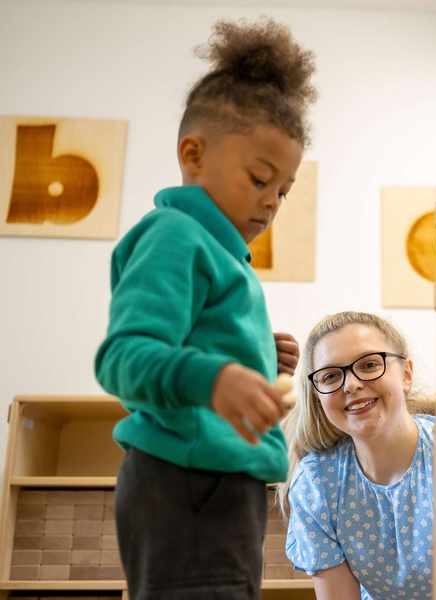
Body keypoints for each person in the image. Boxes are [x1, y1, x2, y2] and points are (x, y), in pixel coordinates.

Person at [94, 17, 317, 600]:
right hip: (187, 484)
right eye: (259, 178)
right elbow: (125, 357)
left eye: (284, 190)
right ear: (192, 154)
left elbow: (194, 344)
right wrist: (216, 377)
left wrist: (258, 356)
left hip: (217, 484)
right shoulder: (175, 235)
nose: (271, 201)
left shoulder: (219, 253)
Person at [280, 311, 436, 600]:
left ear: (406, 374)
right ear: (318, 395)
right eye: (331, 375)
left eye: (369, 364)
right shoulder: (317, 485)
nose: (351, 384)